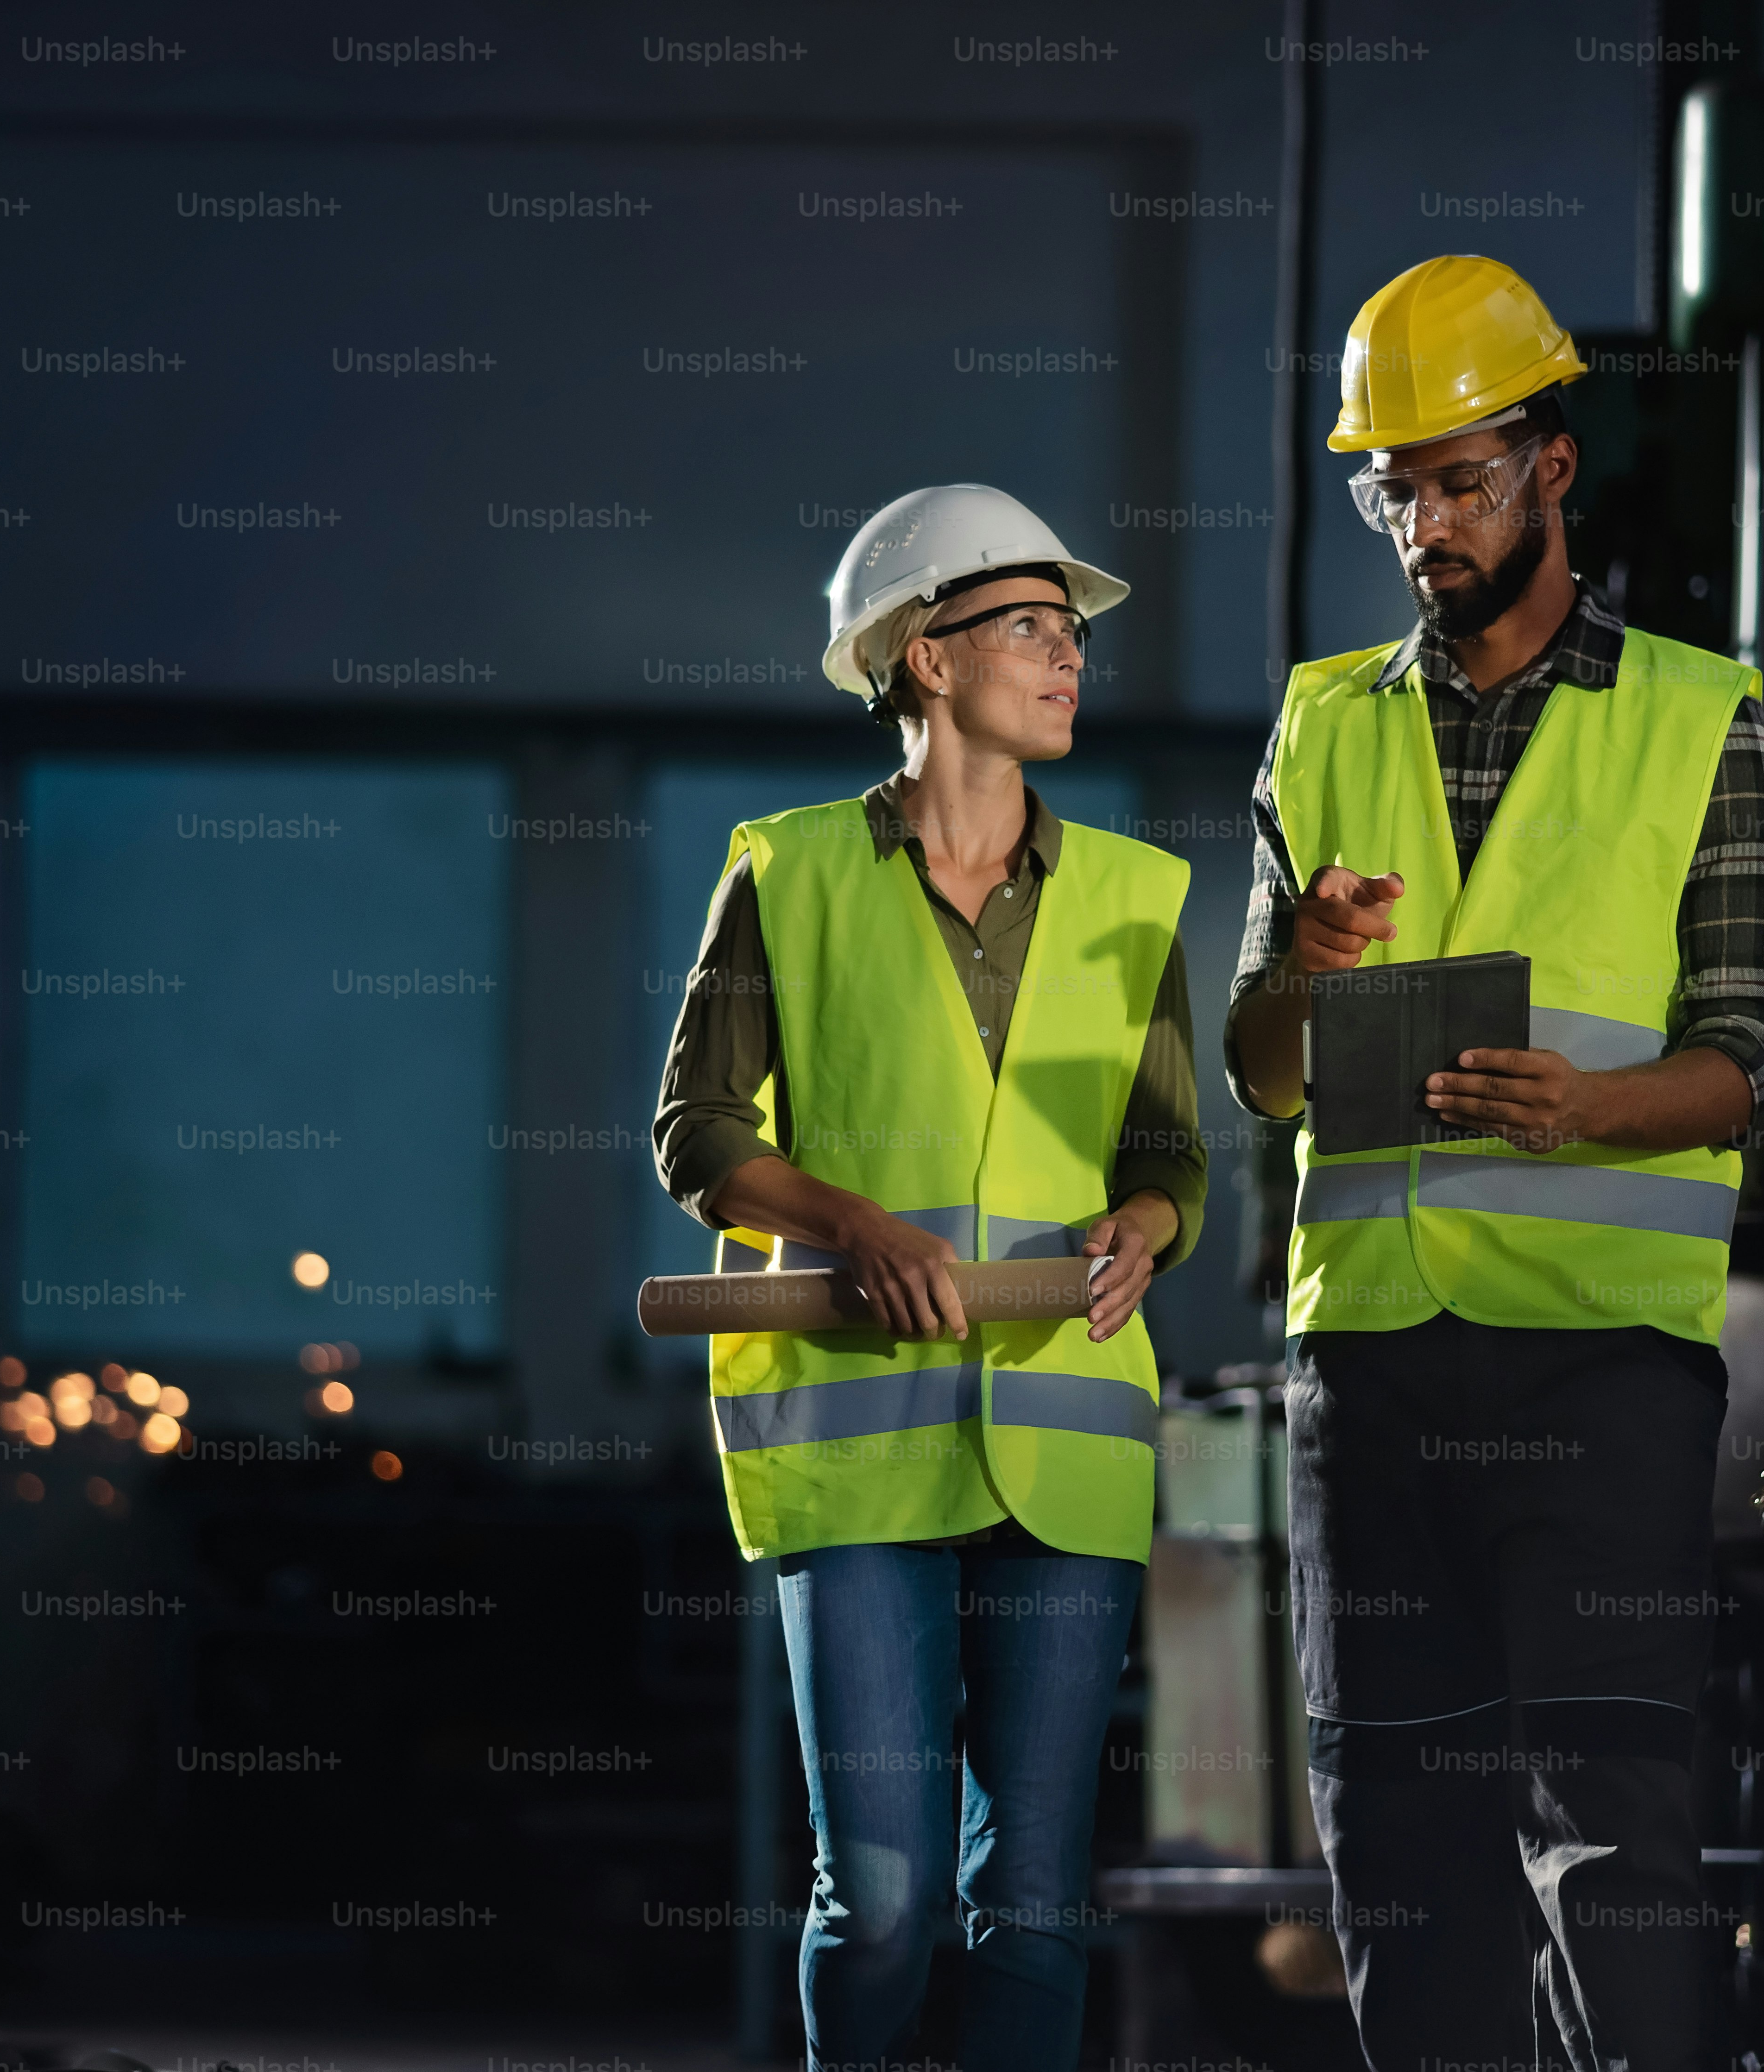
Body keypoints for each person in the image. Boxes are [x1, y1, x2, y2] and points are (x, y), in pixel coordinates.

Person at [1222, 256, 1764, 2067]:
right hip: (1372, 1375)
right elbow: (1254, 1075)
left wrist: (1587, 1111)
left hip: (1598, 1372)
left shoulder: (1697, 718)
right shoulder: (1322, 722)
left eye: (1458, 477)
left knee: (1611, 1841)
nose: (1423, 523)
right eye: (1390, 489)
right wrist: (1293, 977)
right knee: (1399, 1852)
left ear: (1552, 466)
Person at [652, 485, 1205, 2072]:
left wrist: (1147, 1231)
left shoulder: (1132, 902)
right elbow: (696, 1135)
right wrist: (851, 1223)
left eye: (1072, 631)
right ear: (921, 657)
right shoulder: (793, 873)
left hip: (1066, 1436)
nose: (1067, 656)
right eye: (1028, 626)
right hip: (857, 1440)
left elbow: (1170, 1154)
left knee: (1031, 1901)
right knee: (883, 1899)